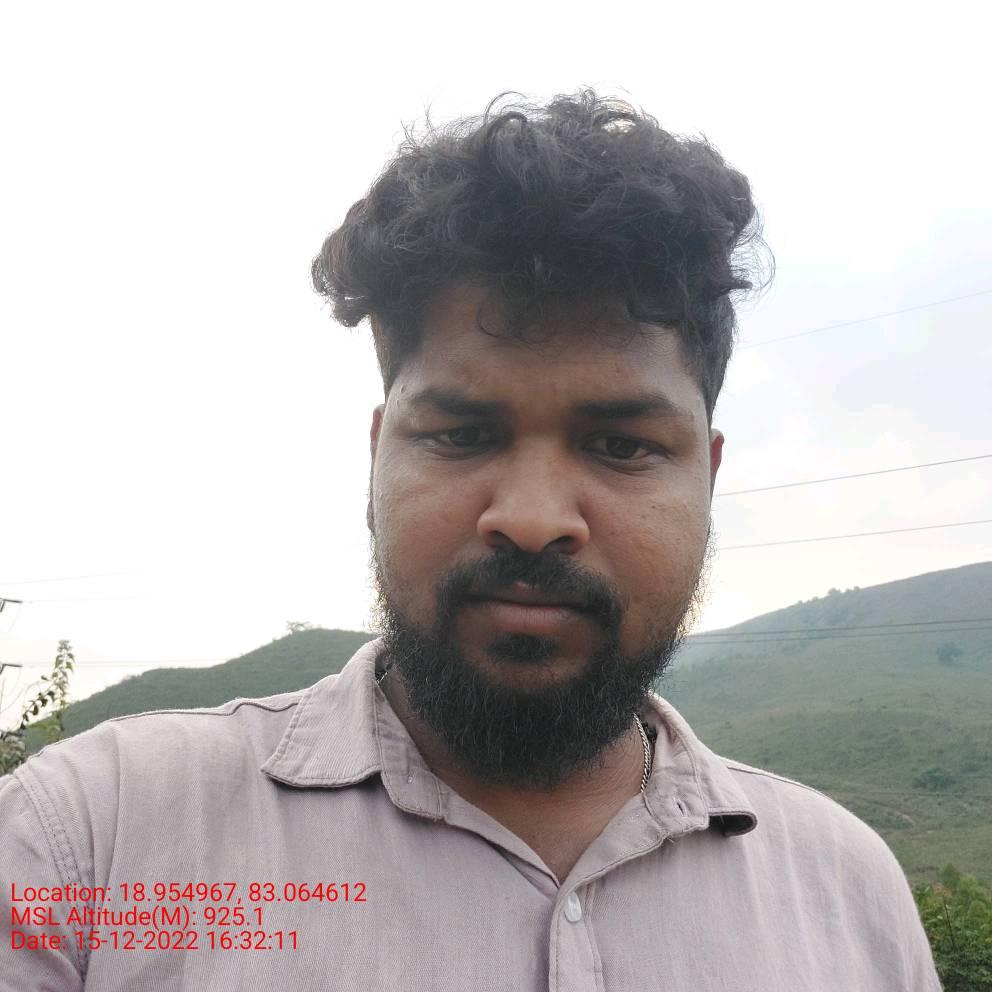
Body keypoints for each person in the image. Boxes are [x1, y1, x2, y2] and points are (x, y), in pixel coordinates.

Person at [0, 89, 942, 990]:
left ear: (709, 478)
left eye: (622, 446)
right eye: (461, 434)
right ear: (378, 457)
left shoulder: (848, 894)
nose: (531, 518)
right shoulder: (93, 836)